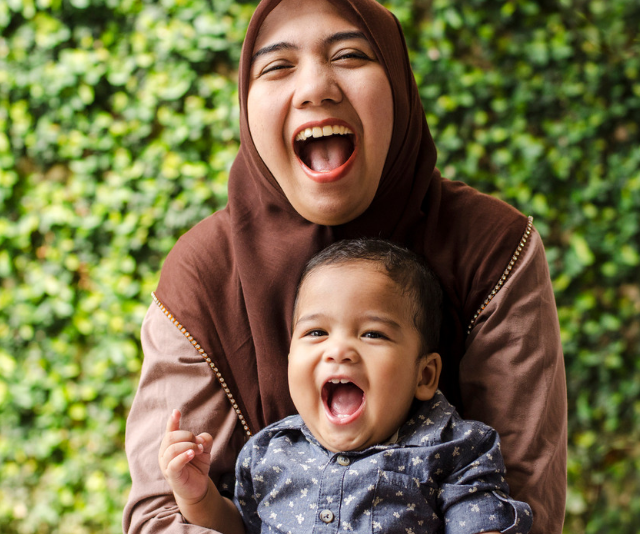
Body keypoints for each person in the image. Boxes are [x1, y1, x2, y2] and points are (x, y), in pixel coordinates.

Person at [124, 0, 567, 533]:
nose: (316, 88)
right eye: (278, 65)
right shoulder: (202, 275)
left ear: (400, 87)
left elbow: (522, 504)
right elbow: (163, 515)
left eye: (351, 55)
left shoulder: (491, 247)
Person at [158, 239, 533, 534]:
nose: (338, 350)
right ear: (289, 358)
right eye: (316, 332)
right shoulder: (268, 453)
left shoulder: (452, 448)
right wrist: (198, 496)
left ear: (425, 376)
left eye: (372, 333)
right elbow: (238, 528)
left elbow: (480, 519)